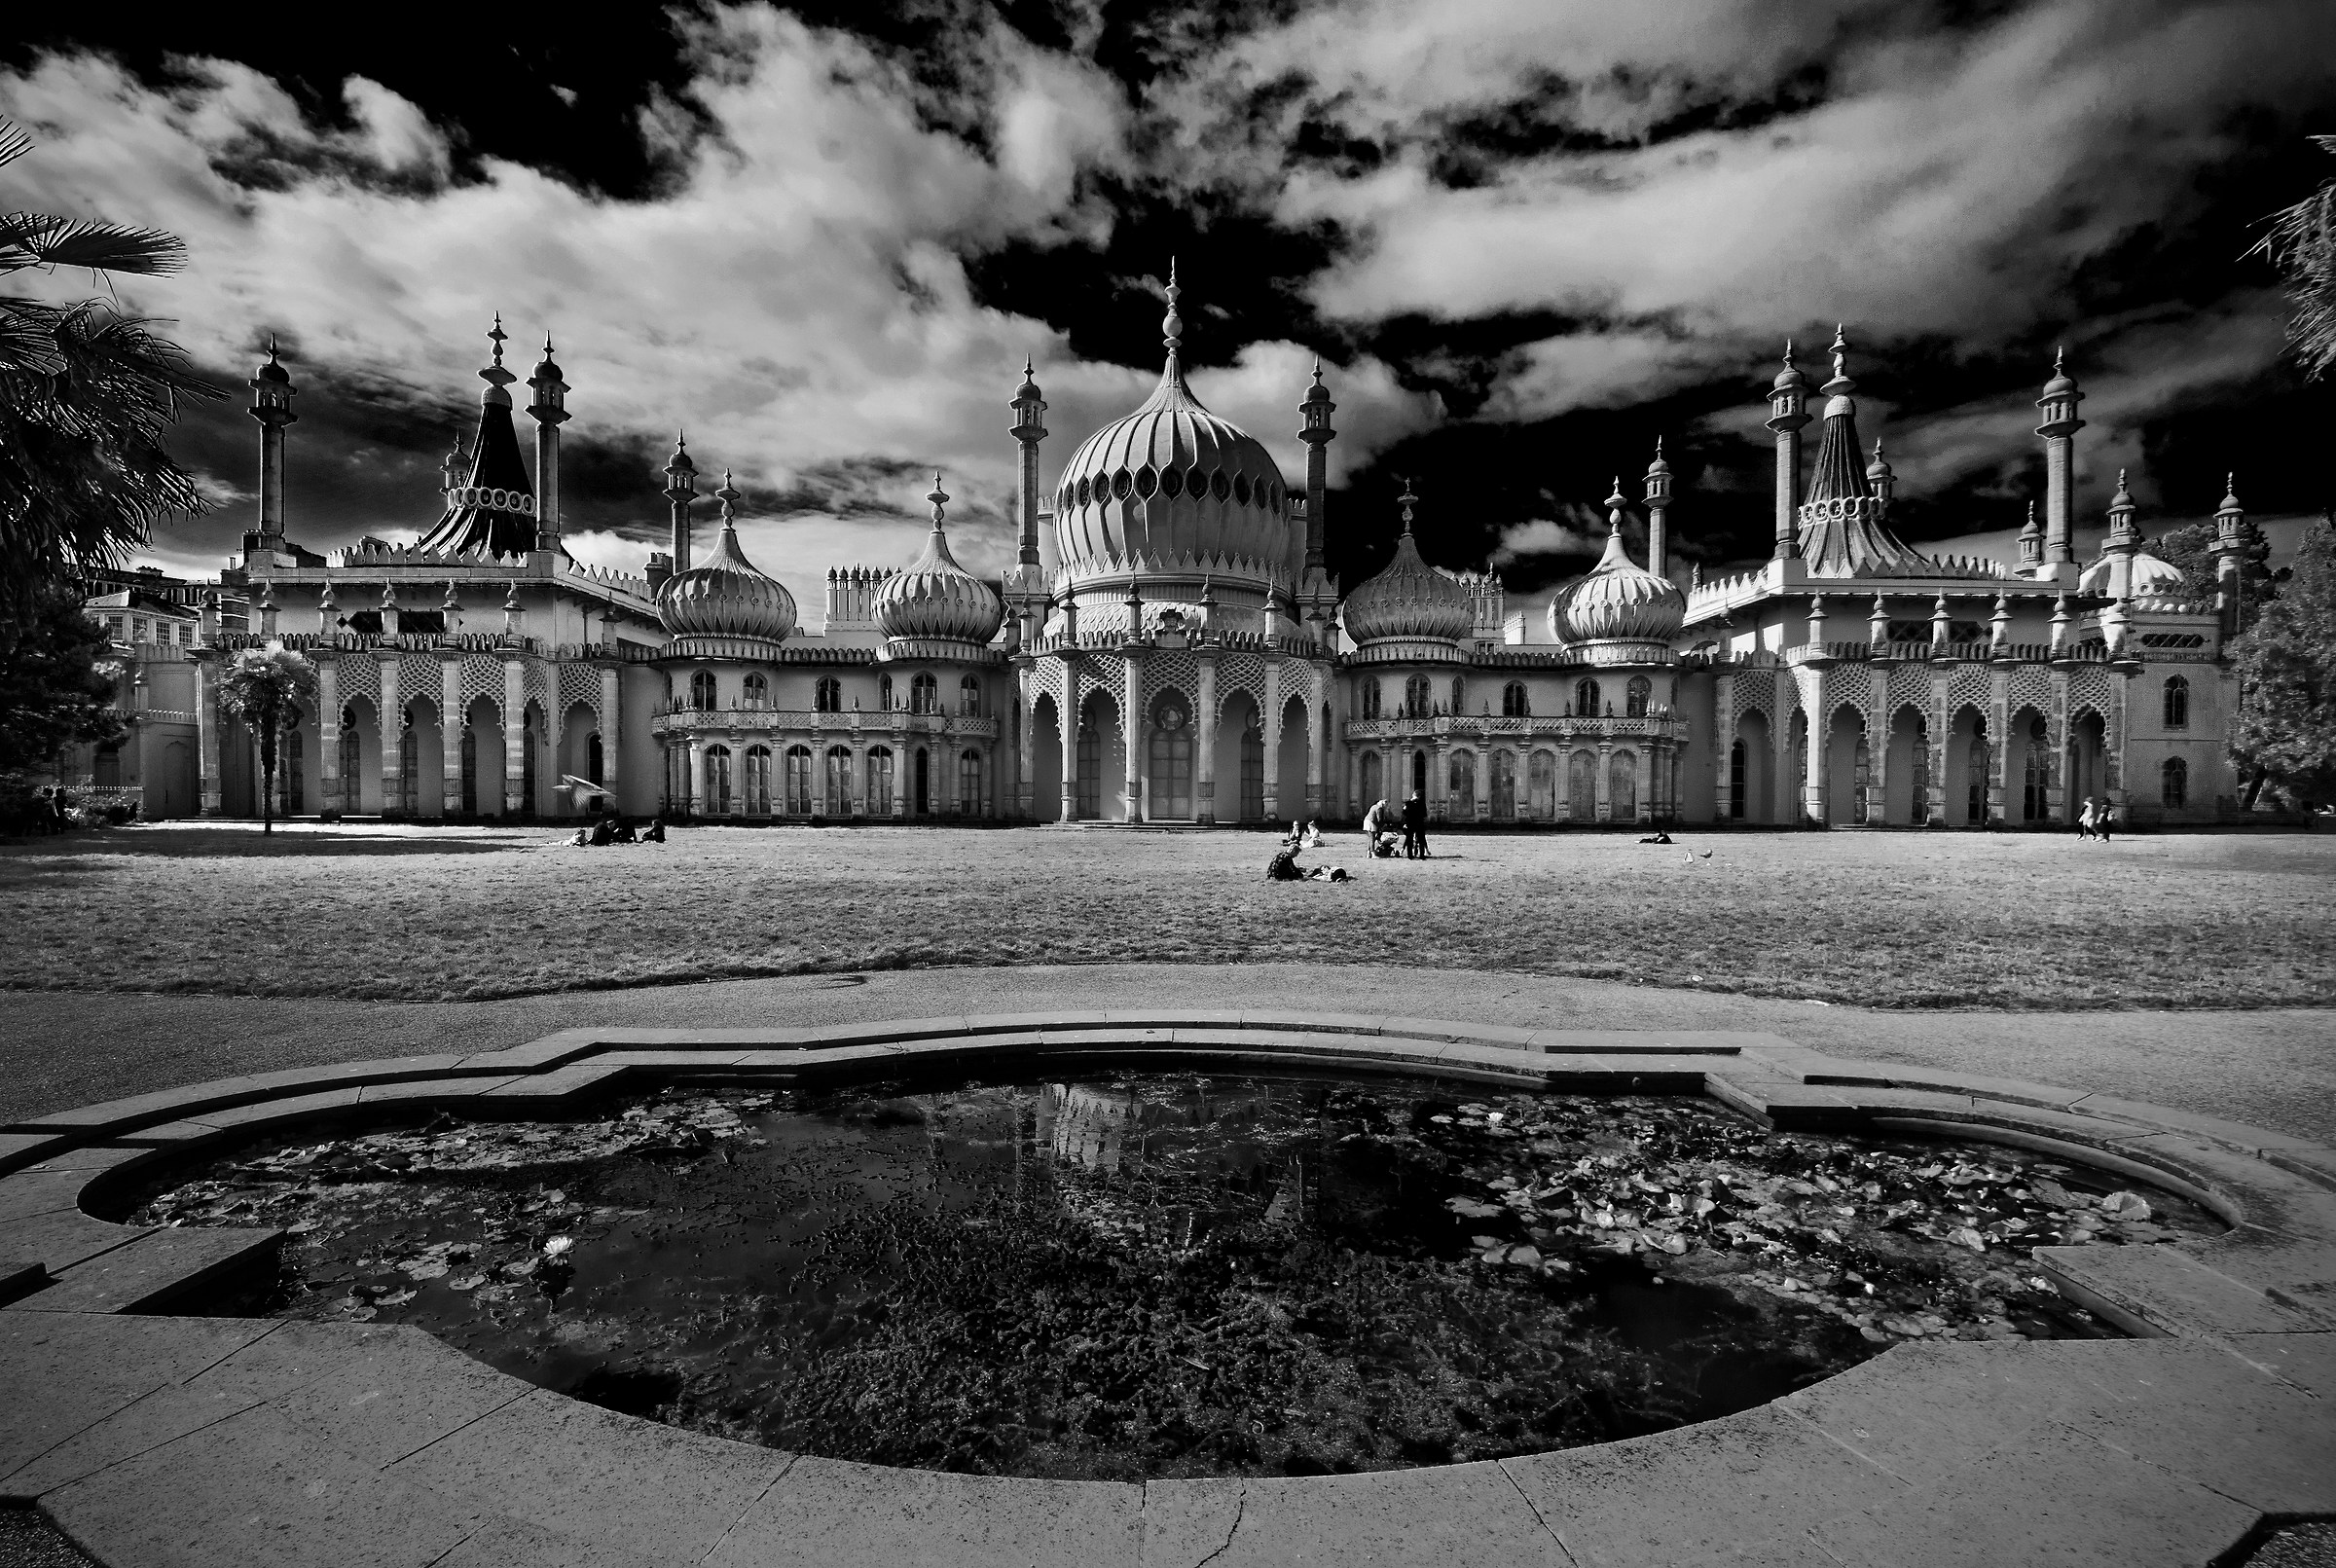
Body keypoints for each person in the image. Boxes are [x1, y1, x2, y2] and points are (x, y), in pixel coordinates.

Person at [1401, 791, 1429, 858]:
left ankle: (1410, 855)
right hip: (1419, 822)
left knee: (1409, 839)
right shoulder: (1422, 804)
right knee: (1421, 839)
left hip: (1410, 822)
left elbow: (1404, 813)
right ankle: (1422, 854)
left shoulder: (1408, 803)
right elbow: (1424, 814)